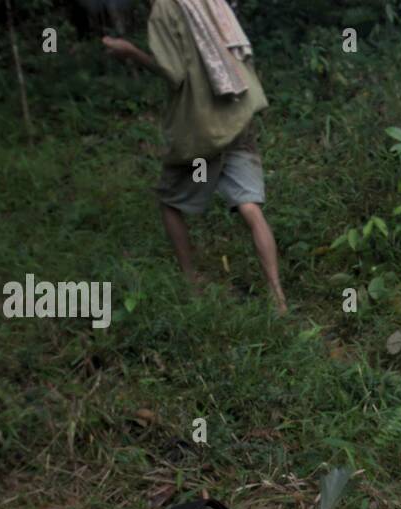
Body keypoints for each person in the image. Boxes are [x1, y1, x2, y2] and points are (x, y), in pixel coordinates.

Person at [102, 0, 288, 315]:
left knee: (170, 203)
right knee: (249, 206)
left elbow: (173, 74)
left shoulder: (163, 10)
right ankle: (278, 299)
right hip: (238, 111)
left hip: (203, 128)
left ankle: (191, 283)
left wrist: (131, 53)